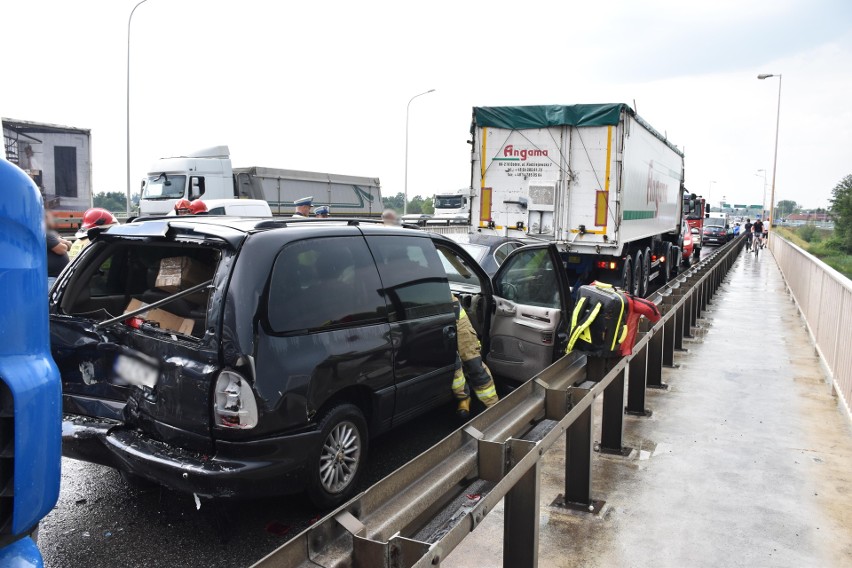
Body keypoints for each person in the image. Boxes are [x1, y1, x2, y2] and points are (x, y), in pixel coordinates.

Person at [451, 295, 498, 418]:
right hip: (432, 319)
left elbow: (465, 275)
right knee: (454, 366)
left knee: (474, 363)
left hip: (455, 315)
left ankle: (493, 405)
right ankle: (464, 399)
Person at [45, 211, 70, 288]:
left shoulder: (50, 234)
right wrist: (64, 243)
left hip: (56, 278)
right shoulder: (46, 234)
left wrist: (63, 242)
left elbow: (69, 245)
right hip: (52, 279)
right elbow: (62, 250)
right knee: (52, 299)